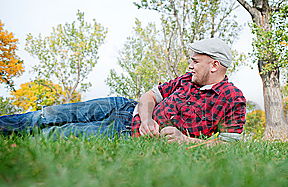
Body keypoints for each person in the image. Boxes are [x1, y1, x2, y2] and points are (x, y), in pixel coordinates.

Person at [0, 38, 246, 143]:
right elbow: (150, 96)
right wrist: (147, 118)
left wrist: (186, 140)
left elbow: (229, 144)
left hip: (124, 132)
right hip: (121, 106)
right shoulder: (186, 79)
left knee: (58, 134)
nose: (189, 65)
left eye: (195, 60)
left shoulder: (232, 99)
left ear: (214, 65)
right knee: (47, 115)